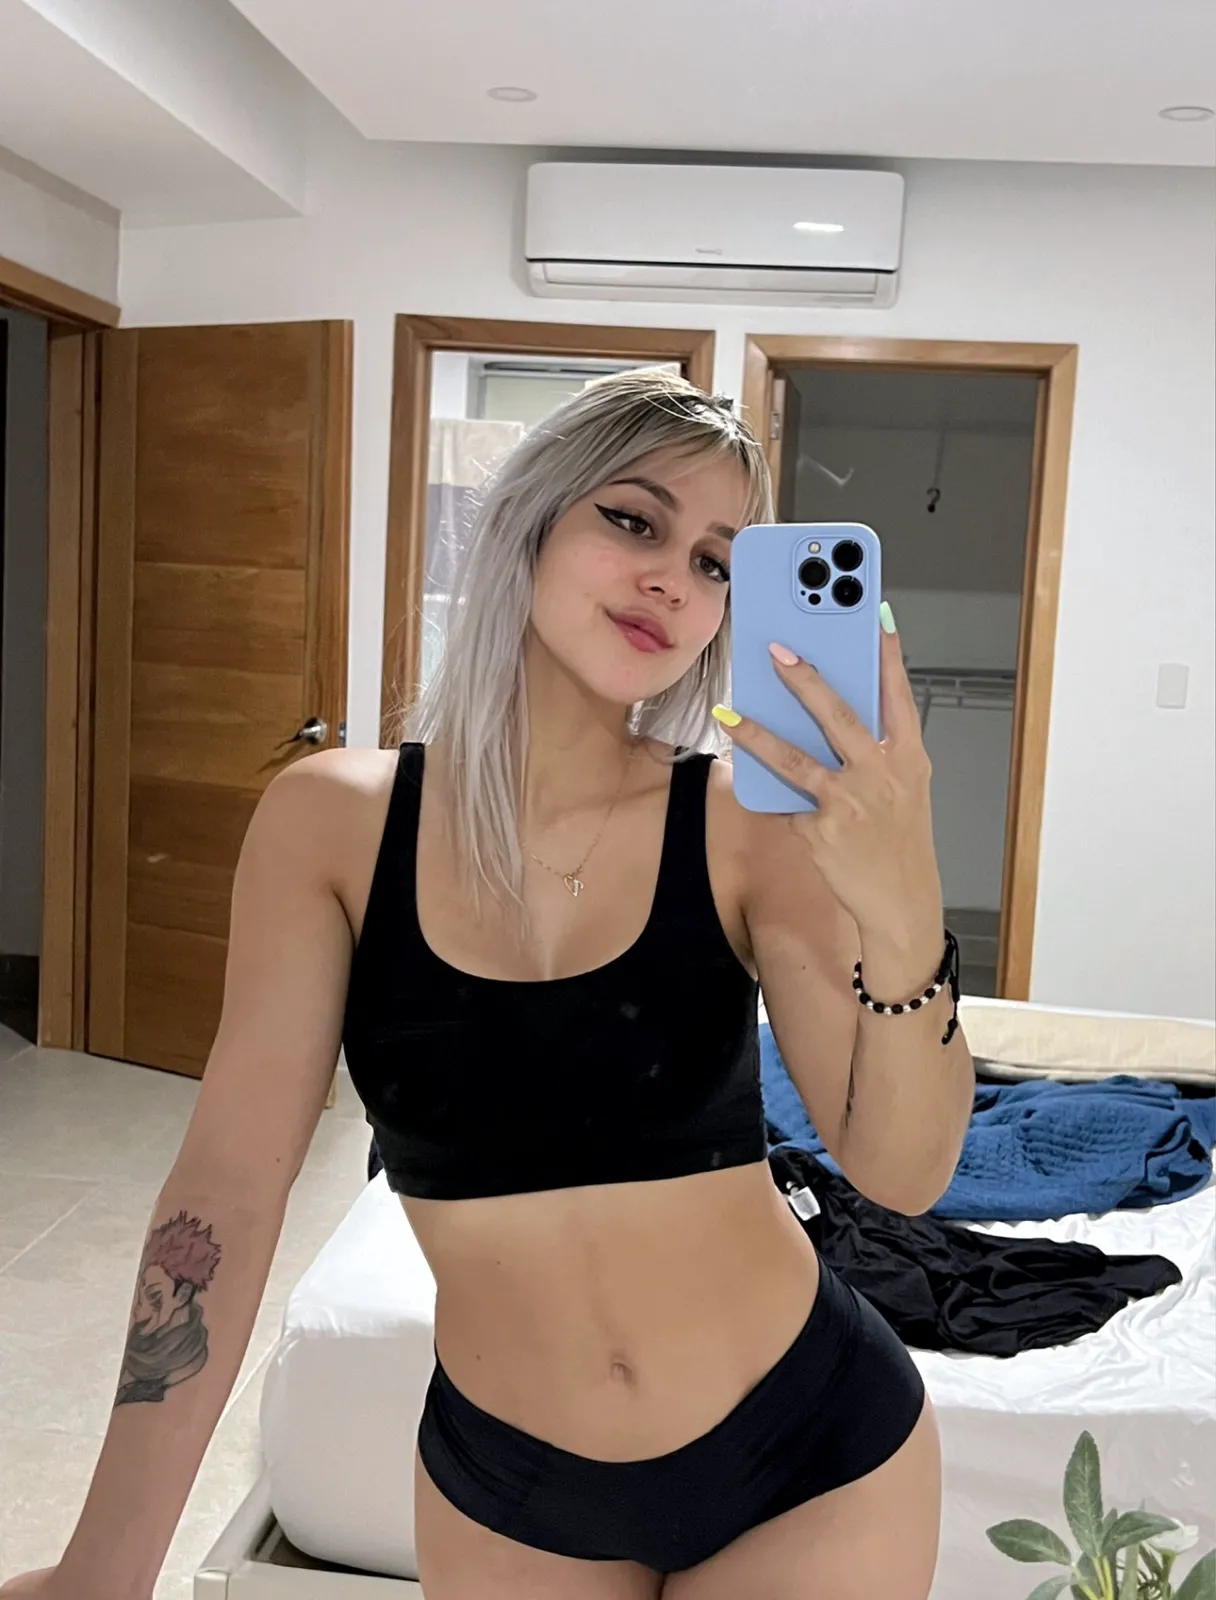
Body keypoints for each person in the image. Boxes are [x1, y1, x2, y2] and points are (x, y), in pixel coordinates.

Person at [0, 369, 973, 1600]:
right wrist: (105, 1566)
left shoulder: (742, 826)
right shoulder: (331, 824)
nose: (674, 581)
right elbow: (225, 1197)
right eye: (633, 520)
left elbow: (902, 1170)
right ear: (531, 518)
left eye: (716, 562)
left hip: (810, 1455)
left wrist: (904, 907)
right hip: (514, 1487)